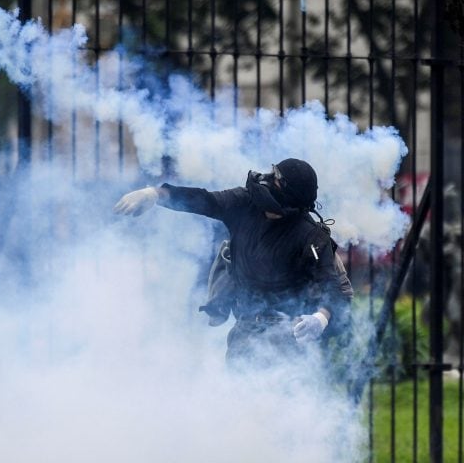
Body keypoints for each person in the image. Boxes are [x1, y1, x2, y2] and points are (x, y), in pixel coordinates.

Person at [114, 158, 352, 370]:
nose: (267, 179)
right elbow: (203, 200)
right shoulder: (244, 203)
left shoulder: (311, 237)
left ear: (289, 195)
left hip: (289, 336)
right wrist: (155, 194)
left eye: (276, 179)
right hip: (245, 330)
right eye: (272, 172)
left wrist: (320, 319)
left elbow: (333, 288)